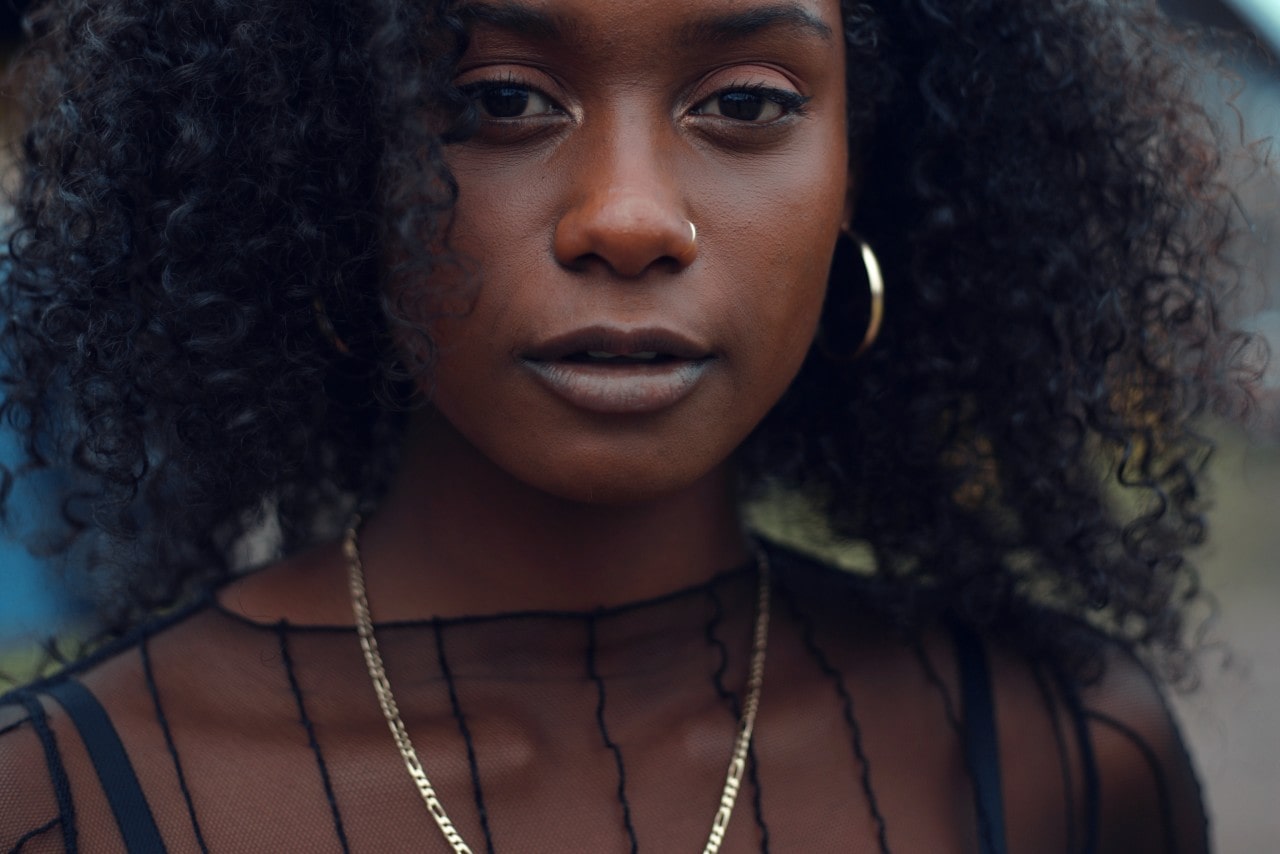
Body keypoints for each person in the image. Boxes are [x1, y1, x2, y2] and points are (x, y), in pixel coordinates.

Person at [0, 0, 1252, 850]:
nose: (628, 217)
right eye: (500, 96)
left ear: (855, 168)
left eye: (746, 103)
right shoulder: (60, 802)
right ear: (334, 162)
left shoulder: (1061, 758)